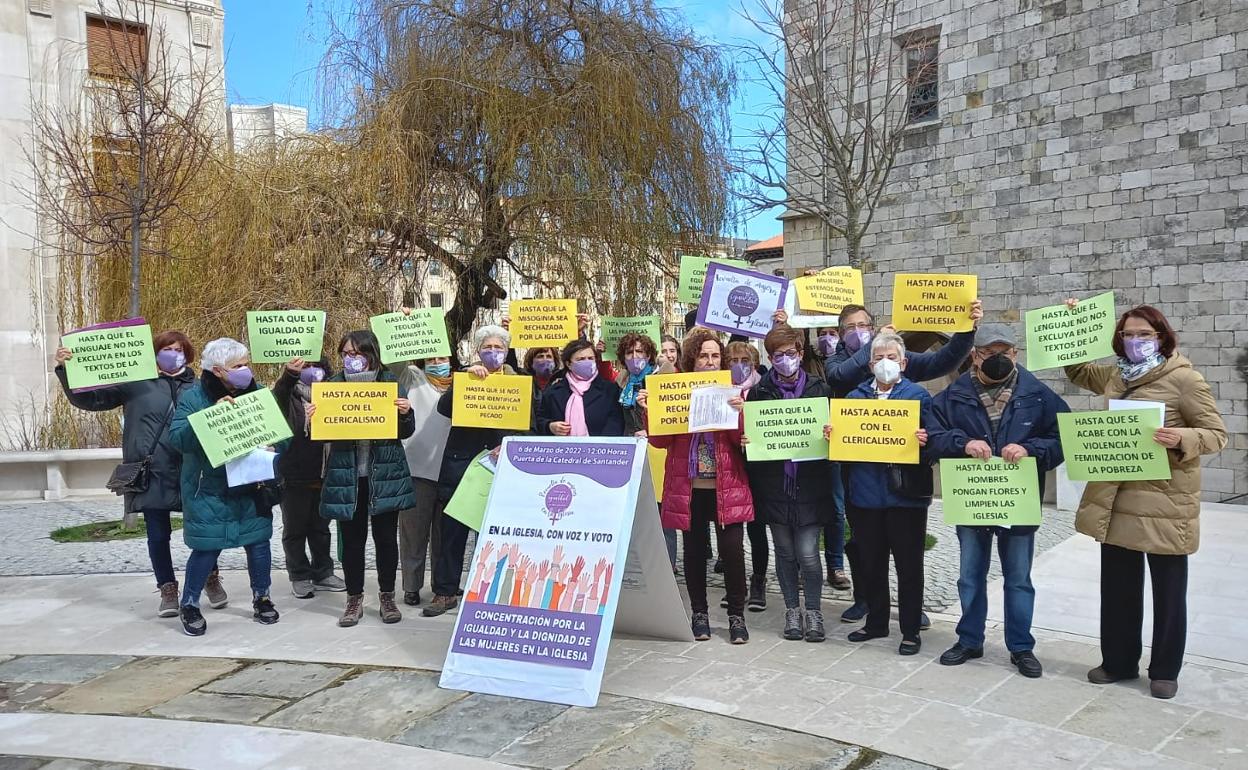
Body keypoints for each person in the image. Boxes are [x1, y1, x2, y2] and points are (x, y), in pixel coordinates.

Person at [1063, 301, 1226, 699]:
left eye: (1144, 334)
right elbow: (1078, 370)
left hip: (1165, 503)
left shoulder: (1185, 379)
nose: (1135, 340)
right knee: (1118, 588)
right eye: (1128, 334)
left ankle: (1165, 669)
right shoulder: (1115, 376)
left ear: (1161, 336)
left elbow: (1215, 433)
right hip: (1117, 499)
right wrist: (1074, 322)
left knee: (1168, 593)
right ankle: (1118, 661)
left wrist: (1183, 438)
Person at [929, 323, 1069, 678]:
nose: (997, 359)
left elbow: (1064, 438)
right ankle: (969, 639)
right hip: (973, 498)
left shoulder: (1039, 394)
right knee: (969, 575)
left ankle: (1021, 647)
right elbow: (931, 434)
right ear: (975, 357)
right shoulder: (953, 394)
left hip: (1018, 500)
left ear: (1015, 355)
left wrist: (1030, 448)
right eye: (990, 353)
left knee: (1019, 577)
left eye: (1004, 352)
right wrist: (962, 443)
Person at [829, 300, 982, 624]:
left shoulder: (911, 386)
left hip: (903, 482)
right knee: (864, 546)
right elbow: (840, 377)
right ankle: (866, 602)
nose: (858, 332)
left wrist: (966, 331)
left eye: (863, 326)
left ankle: (911, 612)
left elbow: (943, 360)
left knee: (906, 553)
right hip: (861, 478)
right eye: (851, 328)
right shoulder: (842, 363)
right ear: (842, 336)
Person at [53, 330, 208, 618]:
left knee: (204, 528)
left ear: (188, 353)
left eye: (179, 349)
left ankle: (210, 575)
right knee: (158, 534)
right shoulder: (137, 383)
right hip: (152, 469)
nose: (173, 353)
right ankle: (167, 588)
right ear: (155, 353)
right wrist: (66, 370)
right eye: (167, 349)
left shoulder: (200, 387)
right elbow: (92, 400)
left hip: (191, 469)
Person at [167, 338, 288, 636]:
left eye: (247, 363)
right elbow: (178, 439)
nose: (246, 370)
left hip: (251, 486)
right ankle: (190, 604)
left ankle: (262, 598)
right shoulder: (195, 397)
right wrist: (210, 418)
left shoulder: (257, 393)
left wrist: (279, 443)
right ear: (219, 370)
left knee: (258, 543)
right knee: (207, 547)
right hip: (209, 490)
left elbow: (283, 435)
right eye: (239, 366)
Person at [641, 329, 754, 644]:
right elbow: (661, 442)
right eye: (704, 355)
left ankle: (736, 617)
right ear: (692, 358)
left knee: (732, 551)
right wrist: (652, 411)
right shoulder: (676, 391)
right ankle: (699, 615)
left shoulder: (733, 391)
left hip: (726, 486)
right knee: (693, 553)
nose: (710, 360)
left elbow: (739, 443)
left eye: (715, 355)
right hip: (689, 486)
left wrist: (739, 414)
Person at [828, 333, 936, 656]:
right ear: (870, 363)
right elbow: (843, 450)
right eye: (878, 358)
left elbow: (936, 445)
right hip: (865, 496)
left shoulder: (918, 396)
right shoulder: (854, 398)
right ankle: (876, 622)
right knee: (871, 563)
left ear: (903, 363)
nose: (884, 363)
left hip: (906, 498)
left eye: (891, 357)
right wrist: (833, 436)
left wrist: (925, 441)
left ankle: (911, 630)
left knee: (908, 566)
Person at [312, 331, 416, 627]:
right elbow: (321, 434)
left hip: (384, 474)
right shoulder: (331, 387)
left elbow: (405, 432)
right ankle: (354, 598)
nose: (351, 359)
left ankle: (386, 596)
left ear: (371, 354)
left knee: (385, 540)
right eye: (346, 354)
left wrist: (406, 414)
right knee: (352, 541)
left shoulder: (389, 384)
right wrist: (314, 417)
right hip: (348, 476)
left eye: (357, 353)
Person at [424, 325, 529, 617]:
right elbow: (444, 410)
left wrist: (510, 445)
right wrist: (464, 381)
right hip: (462, 464)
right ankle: (445, 592)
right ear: (479, 351)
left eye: (499, 348)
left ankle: (491, 592)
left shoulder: (518, 381)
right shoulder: (467, 377)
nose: (493, 353)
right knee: (452, 533)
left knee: (497, 533)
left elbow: (529, 424)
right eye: (488, 348)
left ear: (507, 352)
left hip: (502, 466)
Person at [743, 326, 834, 641]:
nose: (785, 360)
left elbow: (836, 437)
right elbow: (754, 440)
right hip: (774, 486)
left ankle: (814, 611)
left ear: (800, 352)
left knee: (808, 553)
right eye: (778, 355)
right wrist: (748, 439)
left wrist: (831, 436)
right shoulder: (759, 393)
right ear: (769, 357)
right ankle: (792, 611)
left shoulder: (820, 389)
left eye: (791, 354)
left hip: (811, 485)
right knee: (784, 552)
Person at [272, 356, 347, 599]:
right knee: (295, 528)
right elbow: (280, 392)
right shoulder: (288, 396)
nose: (312, 371)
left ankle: (323, 571)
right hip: (294, 473)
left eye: (317, 366)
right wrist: (290, 374)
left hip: (324, 472)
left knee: (321, 527)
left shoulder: (334, 394)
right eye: (306, 367)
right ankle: (300, 574)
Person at [393, 347, 453, 607]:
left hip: (450, 471)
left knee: (444, 535)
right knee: (413, 534)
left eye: (442, 359)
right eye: (432, 359)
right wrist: (404, 328)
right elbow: (394, 363)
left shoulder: (463, 384)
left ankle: (442, 585)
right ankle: (411, 586)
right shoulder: (413, 377)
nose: (437, 363)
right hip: (416, 470)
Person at [727, 340, 768, 612]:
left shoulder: (763, 389)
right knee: (733, 531)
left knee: (757, 528)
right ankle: (736, 583)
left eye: (745, 361)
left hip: (760, 469)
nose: (739, 366)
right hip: (732, 465)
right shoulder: (721, 391)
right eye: (733, 361)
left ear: (753, 363)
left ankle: (759, 580)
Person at [537, 339, 625, 437]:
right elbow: (540, 419)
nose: (587, 362)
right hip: (562, 449)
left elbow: (616, 422)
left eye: (590, 358)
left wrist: (600, 445)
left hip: (600, 449)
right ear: (568, 364)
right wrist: (550, 426)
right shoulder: (553, 392)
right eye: (581, 359)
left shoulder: (610, 390)